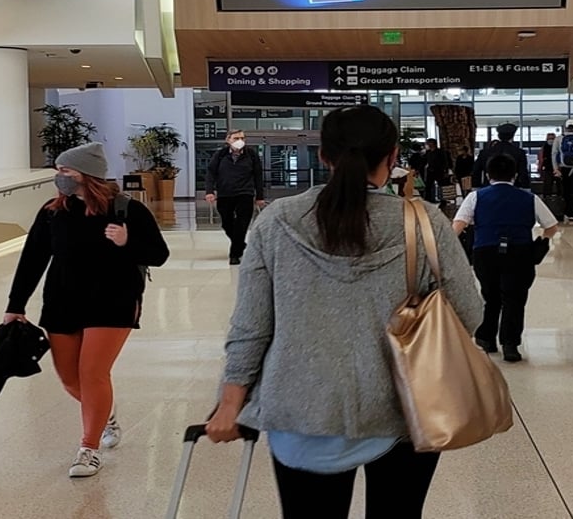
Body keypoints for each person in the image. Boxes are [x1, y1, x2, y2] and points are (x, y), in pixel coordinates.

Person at [205, 105, 482, 519]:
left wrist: (230, 404)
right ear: (392, 158)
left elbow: (251, 326)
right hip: (405, 406)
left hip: (302, 408)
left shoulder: (276, 222)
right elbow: (468, 313)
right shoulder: (424, 222)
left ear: (323, 156)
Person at [2, 142, 170, 477]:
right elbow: (32, 259)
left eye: (65, 171)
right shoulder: (52, 212)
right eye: (59, 171)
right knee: (69, 378)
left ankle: (88, 449)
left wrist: (127, 243)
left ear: (87, 174)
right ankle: (104, 412)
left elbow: (159, 254)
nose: (59, 177)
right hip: (63, 301)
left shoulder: (126, 210)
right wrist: (15, 306)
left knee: (93, 373)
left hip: (114, 301)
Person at [453, 153, 558, 362]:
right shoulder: (529, 198)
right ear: (515, 174)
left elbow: (458, 225)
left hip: (485, 251)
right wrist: (542, 241)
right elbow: (552, 226)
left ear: (487, 174)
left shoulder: (476, 196)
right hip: (520, 252)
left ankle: (486, 338)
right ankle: (510, 345)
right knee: (515, 299)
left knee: (491, 296)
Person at [204, 129, 265, 265]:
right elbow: (211, 173)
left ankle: (234, 254)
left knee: (242, 224)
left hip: (245, 193)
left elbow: (258, 176)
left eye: (242, 138)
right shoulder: (220, 155)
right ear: (228, 140)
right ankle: (240, 244)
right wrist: (209, 191)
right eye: (236, 138)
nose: (240, 141)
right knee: (227, 223)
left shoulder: (251, 155)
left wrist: (259, 196)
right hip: (225, 193)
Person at [472, 123, 530, 189]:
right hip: (513, 189)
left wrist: (476, 186)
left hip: (488, 188)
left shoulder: (485, 152)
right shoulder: (519, 153)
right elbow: (523, 172)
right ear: (512, 136)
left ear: (498, 135)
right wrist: (526, 187)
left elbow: (476, 171)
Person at [422, 137, 452, 203]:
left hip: (439, 171)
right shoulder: (428, 152)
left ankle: (442, 199)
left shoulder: (440, 152)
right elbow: (424, 161)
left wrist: (445, 170)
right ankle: (429, 198)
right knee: (428, 185)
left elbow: (445, 162)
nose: (428, 145)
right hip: (430, 171)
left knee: (441, 185)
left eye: (429, 143)